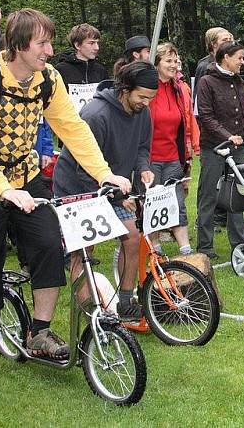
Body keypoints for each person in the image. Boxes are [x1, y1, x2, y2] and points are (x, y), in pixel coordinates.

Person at [0, 8, 131, 378]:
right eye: (42, 43)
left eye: (49, 43)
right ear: (18, 45)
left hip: (24, 175)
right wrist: (2, 189)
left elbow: (72, 127)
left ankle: (40, 330)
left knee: (50, 243)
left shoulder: (46, 79)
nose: (49, 51)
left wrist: (104, 173)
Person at [53, 61, 158, 319]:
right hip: (77, 187)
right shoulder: (96, 114)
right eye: (142, 96)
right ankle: (91, 314)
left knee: (132, 237)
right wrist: (115, 197)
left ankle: (125, 301)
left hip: (114, 186)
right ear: (125, 89)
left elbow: (143, 146)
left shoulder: (142, 112)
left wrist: (143, 167)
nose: (146, 103)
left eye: (151, 98)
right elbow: (83, 168)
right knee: (84, 250)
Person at [195, 41, 244, 259]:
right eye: (239, 58)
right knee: (208, 195)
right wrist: (228, 136)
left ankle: (239, 243)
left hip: (237, 145)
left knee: (238, 194)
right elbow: (205, 117)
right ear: (226, 57)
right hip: (213, 147)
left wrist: (241, 136)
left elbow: (241, 112)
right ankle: (205, 246)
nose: (242, 62)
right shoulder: (206, 81)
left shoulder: (238, 81)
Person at [147, 42, 200, 256]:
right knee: (152, 203)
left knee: (177, 202)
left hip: (172, 155)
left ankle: (185, 249)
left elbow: (185, 120)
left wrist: (188, 148)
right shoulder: (148, 89)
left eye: (175, 61)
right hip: (149, 157)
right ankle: (155, 248)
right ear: (157, 63)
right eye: (168, 61)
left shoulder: (179, 89)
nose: (174, 65)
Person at [54, 23, 107, 90]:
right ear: (77, 45)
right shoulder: (60, 70)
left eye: (97, 43)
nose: (97, 48)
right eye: (91, 43)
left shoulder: (100, 70)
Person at [193, 27, 233, 106]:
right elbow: (199, 98)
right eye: (225, 40)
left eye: (230, 40)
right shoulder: (204, 66)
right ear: (214, 44)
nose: (229, 43)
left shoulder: (232, 63)